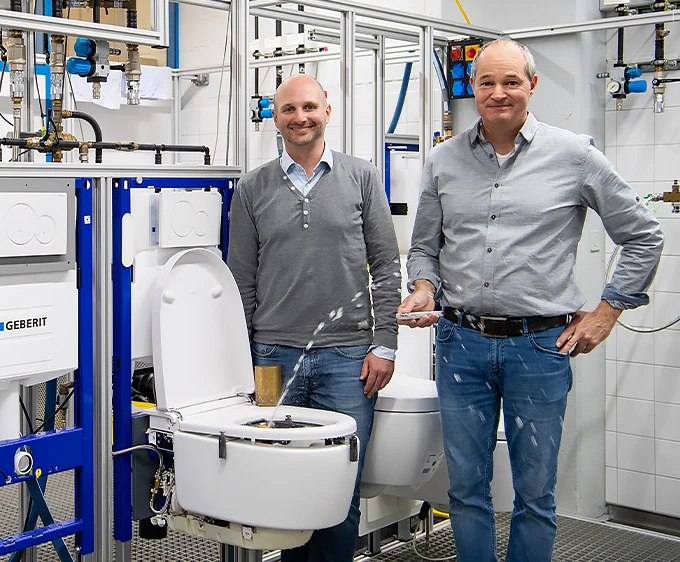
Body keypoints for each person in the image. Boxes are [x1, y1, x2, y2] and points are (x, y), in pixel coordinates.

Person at [399, 39, 664, 562]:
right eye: (486, 83)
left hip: (539, 347)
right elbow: (424, 247)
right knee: (465, 491)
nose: (498, 94)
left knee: (536, 494)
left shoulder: (574, 155)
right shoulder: (443, 160)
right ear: (472, 88)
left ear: (532, 86)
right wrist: (424, 287)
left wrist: (609, 311)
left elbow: (644, 233)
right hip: (460, 344)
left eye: (511, 82)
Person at [227, 73, 402, 561]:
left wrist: (384, 343)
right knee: (280, 491)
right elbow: (241, 277)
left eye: (308, 107)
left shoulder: (361, 177)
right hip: (272, 357)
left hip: (348, 359)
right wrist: (241, 356)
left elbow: (388, 266)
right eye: (287, 110)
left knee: (338, 492)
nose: (299, 118)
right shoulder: (252, 187)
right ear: (273, 116)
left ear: (328, 109)